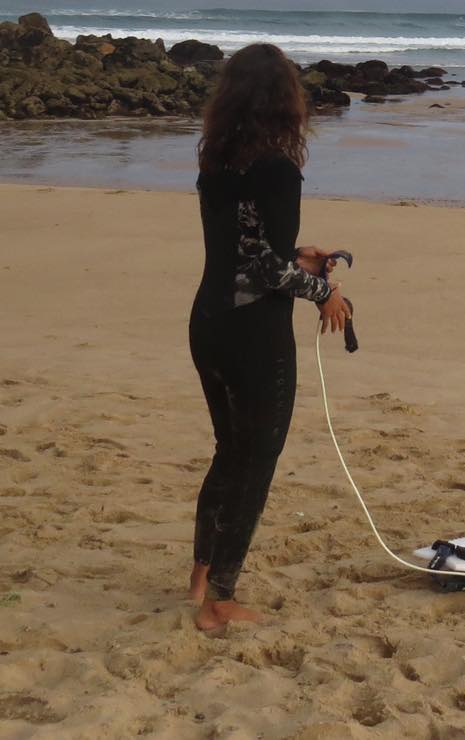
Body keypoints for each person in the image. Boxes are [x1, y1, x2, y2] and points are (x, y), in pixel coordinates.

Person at [185, 43, 352, 633]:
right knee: (254, 463)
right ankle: (220, 603)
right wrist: (322, 291)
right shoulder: (279, 168)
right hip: (254, 336)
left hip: (208, 326)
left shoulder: (216, 160)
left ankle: (201, 576)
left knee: (228, 454)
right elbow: (263, 271)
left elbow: (246, 246)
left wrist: (297, 254)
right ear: (286, 100)